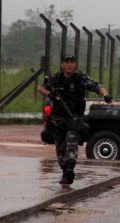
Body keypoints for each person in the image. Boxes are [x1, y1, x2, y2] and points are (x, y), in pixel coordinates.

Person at [37, 53, 112, 185]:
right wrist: (51, 94)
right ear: (62, 65)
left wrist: (105, 95)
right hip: (58, 119)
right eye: (67, 62)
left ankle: (70, 168)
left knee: (72, 143)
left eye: (72, 62)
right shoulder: (55, 79)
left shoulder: (80, 78)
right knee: (60, 148)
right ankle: (65, 171)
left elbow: (97, 86)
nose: (70, 64)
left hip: (74, 118)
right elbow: (40, 88)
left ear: (75, 65)